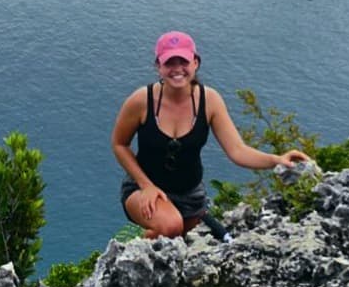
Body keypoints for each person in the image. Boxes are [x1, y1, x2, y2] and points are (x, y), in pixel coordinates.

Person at [112, 30, 311, 238]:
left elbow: (237, 150)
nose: (177, 69)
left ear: (195, 63)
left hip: (190, 195)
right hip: (142, 189)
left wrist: (277, 160)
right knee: (170, 227)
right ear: (158, 67)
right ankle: (125, 262)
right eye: (170, 63)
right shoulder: (142, 100)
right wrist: (146, 186)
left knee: (188, 243)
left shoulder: (210, 101)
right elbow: (119, 144)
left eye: (184, 61)